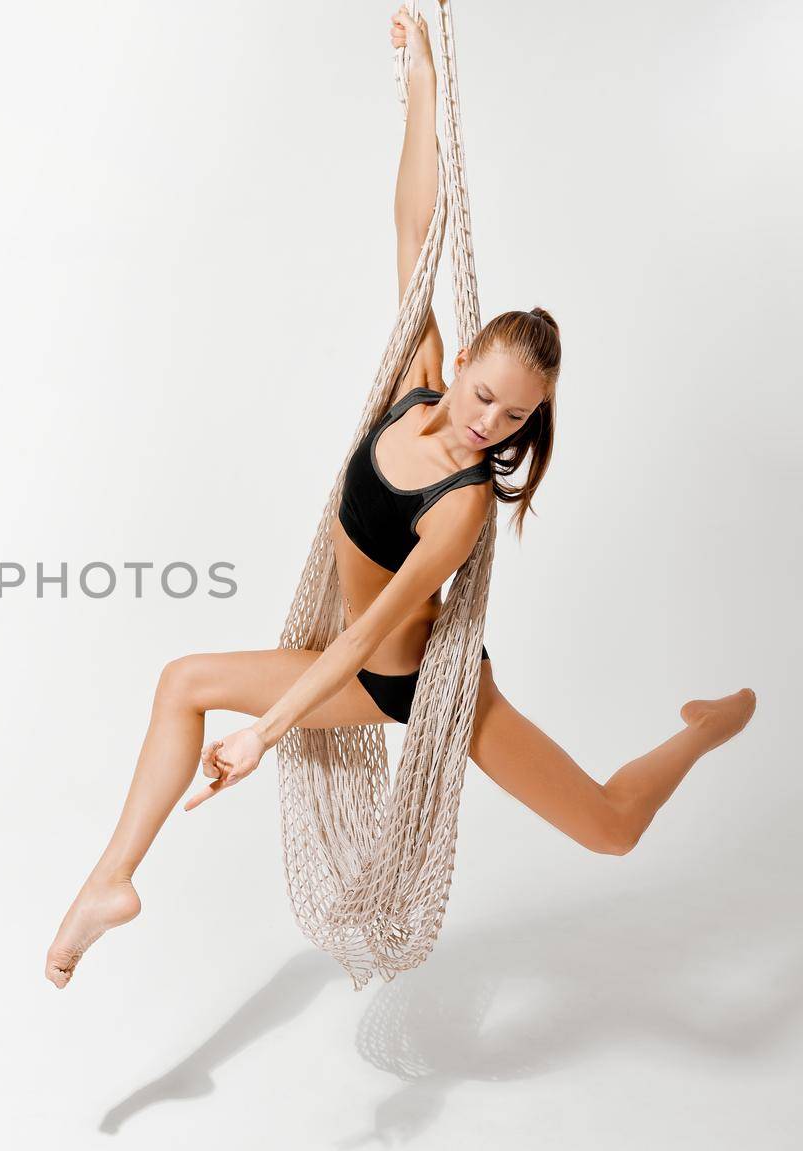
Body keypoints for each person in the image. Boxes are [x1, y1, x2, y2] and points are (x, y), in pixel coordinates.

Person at [43, 7, 757, 990]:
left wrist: (264, 731)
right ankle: (109, 881)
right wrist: (420, 86)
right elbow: (415, 227)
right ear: (457, 364)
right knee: (181, 680)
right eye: (484, 397)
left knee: (611, 827)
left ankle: (702, 726)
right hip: (351, 672)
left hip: (424, 687)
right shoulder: (412, 382)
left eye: (515, 419)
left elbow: (369, 625)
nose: (489, 425)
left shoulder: (461, 506)